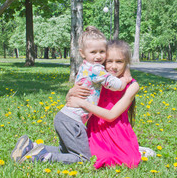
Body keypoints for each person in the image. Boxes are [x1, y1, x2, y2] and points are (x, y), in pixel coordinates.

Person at [10, 27, 131, 164]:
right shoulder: (96, 69)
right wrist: (124, 80)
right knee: (83, 159)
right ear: (82, 53)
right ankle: (41, 157)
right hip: (72, 121)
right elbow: (115, 85)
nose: (98, 56)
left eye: (102, 52)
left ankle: (30, 147)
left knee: (66, 151)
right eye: (93, 52)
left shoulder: (85, 66)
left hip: (65, 117)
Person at [67, 40, 142, 169]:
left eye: (119, 61)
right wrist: (70, 92)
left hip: (119, 132)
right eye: (109, 61)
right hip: (97, 131)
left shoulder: (132, 86)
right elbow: (71, 100)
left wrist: (83, 103)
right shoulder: (99, 79)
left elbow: (111, 115)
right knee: (101, 158)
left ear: (126, 63)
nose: (114, 66)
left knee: (130, 161)